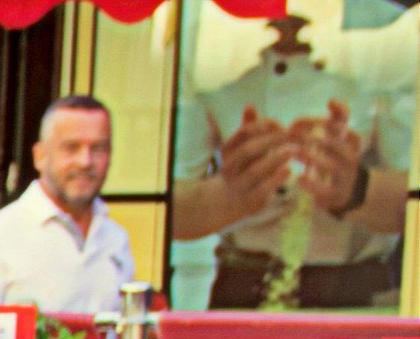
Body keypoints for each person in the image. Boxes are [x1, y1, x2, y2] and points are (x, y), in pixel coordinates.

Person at [172, 13, 409, 309]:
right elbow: (169, 208)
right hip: (240, 292)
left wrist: (356, 189)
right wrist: (228, 196)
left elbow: (411, 204)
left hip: (351, 294)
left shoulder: (390, 28)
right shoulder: (203, 27)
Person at [0, 95, 137, 318]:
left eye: (98, 148)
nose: (85, 161)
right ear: (40, 156)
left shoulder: (115, 240)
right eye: (71, 148)